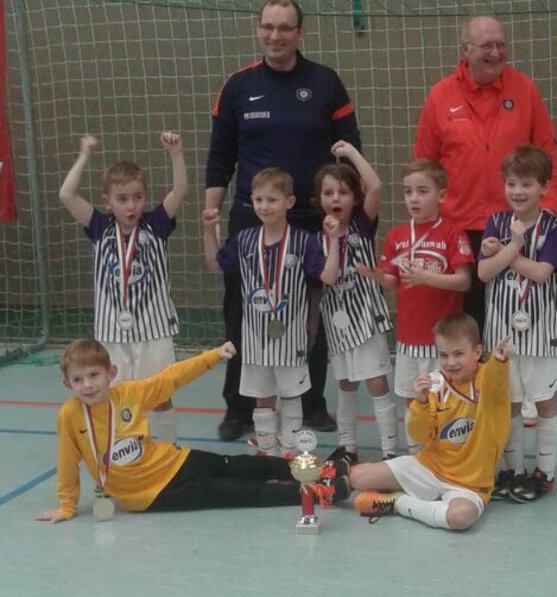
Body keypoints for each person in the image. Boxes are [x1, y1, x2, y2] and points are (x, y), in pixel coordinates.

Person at [204, 0, 361, 440]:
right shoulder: (238, 86)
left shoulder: (325, 83)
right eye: (268, 27)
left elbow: (349, 151)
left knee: (312, 314)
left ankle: (311, 403)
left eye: (285, 28)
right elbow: (220, 157)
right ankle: (239, 408)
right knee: (242, 312)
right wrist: (210, 212)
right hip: (250, 221)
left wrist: (343, 212)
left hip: (310, 221)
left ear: (300, 33)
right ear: (258, 30)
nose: (275, 36)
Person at [35, 338, 350, 523]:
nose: (88, 385)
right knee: (232, 492)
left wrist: (212, 356)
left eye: (94, 375)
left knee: (236, 464)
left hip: (173, 461)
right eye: (78, 380)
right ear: (67, 384)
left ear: (110, 373)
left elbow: (171, 378)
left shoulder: (128, 394)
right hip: (150, 496)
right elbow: (67, 462)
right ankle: (318, 492)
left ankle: (320, 468)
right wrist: (66, 506)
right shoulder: (70, 415)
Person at [413, 15, 557, 337]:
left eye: (501, 45)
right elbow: (425, 163)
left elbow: (547, 150)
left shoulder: (524, 89)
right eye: (486, 46)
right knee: (467, 318)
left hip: (517, 221)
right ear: (465, 49)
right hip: (459, 224)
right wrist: (427, 221)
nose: (496, 52)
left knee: (519, 312)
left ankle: (520, 370)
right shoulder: (440, 95)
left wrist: (548, 205)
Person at [58, 132, 186, 442]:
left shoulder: (156, 223)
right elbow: (66, 194)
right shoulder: (99, 227)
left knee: (159, 395)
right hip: (112, 333)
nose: (131, 205)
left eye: (138, 197)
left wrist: (176, 154)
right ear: (107, 202)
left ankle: (167, 451)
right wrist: (84, 156)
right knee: (115, 397)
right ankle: (122, 453)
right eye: (122, 199)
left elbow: (180, 190)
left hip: (154, 329)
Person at [202, 168, 339, 457]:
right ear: (251, 200)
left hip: (292, 339)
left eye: (272, 200)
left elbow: (328, 277)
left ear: (289, 202)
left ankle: (289, 456)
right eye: (259, 200)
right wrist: (208, 231)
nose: (264, 206)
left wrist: (334, 239)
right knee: (262, 400)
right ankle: (268, 456)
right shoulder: (244, 240)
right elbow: (214, 264)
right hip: (255, 341)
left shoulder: (304, 241)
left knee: (291, 398)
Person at [349, 314, 513, 531]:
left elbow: (496, 377)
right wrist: (421, 402)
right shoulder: (435, 385)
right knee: (358, 477)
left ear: (477, 352)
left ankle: (398, 502)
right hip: (430, 468)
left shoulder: (488, 383)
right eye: (443, 355)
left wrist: (499, 361)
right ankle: (416, 499)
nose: (451, 362)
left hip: (470, 484)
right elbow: (420, 435)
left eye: (459, 354)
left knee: (460, 518)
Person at [356, 159, 473, 455]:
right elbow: (391, 280)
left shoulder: (453, 233)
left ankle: (448, 456)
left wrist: (426, 277)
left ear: (441, 196)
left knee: (446, 399)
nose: (414, 198)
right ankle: (416, 455)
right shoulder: (397, 236)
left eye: (422, 191)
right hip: (408, 338)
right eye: (408, 192)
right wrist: (375, 275)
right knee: (413, 399)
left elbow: (463, 281)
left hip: (443, 343)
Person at [477, 145, 557, 502]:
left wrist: (509, 249)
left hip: (540, 332)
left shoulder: (554, 226)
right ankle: (513, 470)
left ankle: (545, 472)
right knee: (509, 403)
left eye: (527, 184)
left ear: (544, 187)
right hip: (501, 333)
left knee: (544, 401)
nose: (517, 191)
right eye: (511, 183)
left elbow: (542, 273)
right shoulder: (495, 221)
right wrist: (506, 248)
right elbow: (483, 273)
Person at [313, 141, 398, 463]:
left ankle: (390, 451)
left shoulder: (363, 223)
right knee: (345, 383)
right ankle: (347, 448)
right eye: (328, 193)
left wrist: (350, 153)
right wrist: (334, 240)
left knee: (376, 382)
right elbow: (328, 278)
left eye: (343, 192)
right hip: (337, 318)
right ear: (319, 199)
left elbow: (376, 186)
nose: (335, 199)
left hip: (366, 316)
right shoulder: (316, 239)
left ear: (355, 198)